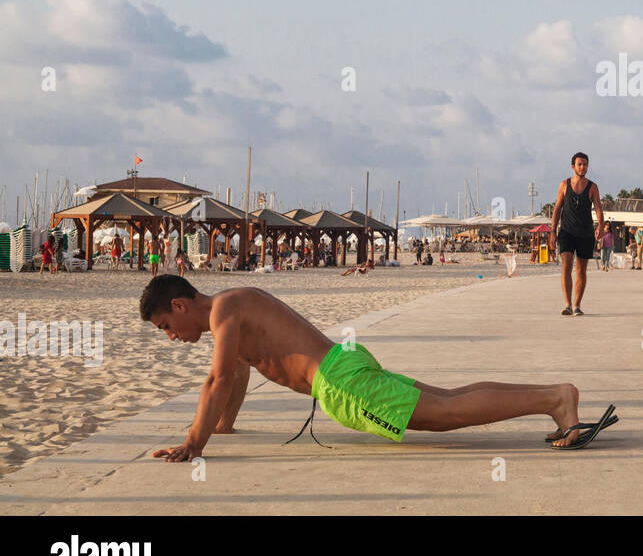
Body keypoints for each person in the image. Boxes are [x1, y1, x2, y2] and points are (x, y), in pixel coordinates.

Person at [140, 275, 616, 457]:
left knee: (444, 416)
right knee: (448, 398)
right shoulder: (232, 306)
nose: (171, 337)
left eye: (165, 325)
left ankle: (555, 399)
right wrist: (220, 427)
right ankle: (554, 396)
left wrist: (192, 443)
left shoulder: (224, 310)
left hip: (341, 383)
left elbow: (218, 379)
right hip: (343, 365)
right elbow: (237, 375)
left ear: (180, 306)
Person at [549, 152, 605, 316]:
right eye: (579, 164)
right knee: (566, 267)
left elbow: (599, 208)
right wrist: (553, 231)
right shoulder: (564, 185)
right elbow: (557, 208)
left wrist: (601, 226)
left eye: (585, 164)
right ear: (573, 166)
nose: (583, 167)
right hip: (566, 231)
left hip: (585, 233)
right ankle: (567, 304)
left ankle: (577, 305)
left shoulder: (592, 187)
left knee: (581, 270)